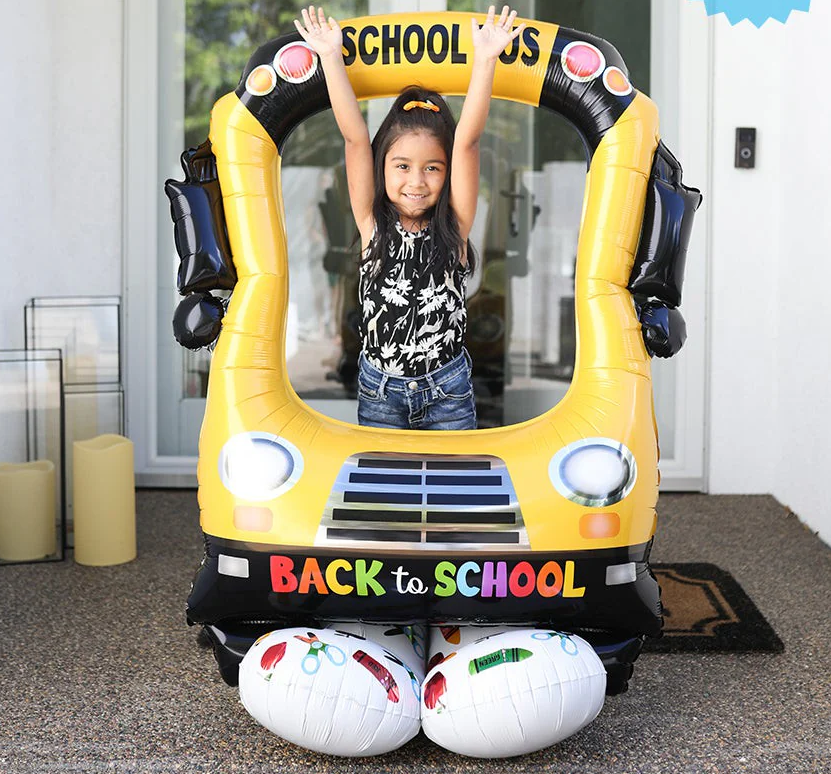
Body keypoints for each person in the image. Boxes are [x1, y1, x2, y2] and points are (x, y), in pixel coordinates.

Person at [295, 5, 525, 430]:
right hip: (380, 390)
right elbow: (354, 138)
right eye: (402, 166)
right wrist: (330, 57)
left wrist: (486, 60)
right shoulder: (372, 224)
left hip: (447, 390)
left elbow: (468, 142)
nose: (416, 181)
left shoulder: (455, 225)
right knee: (384, 491)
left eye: (432, 168)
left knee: (451, 490)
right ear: (383, 167)